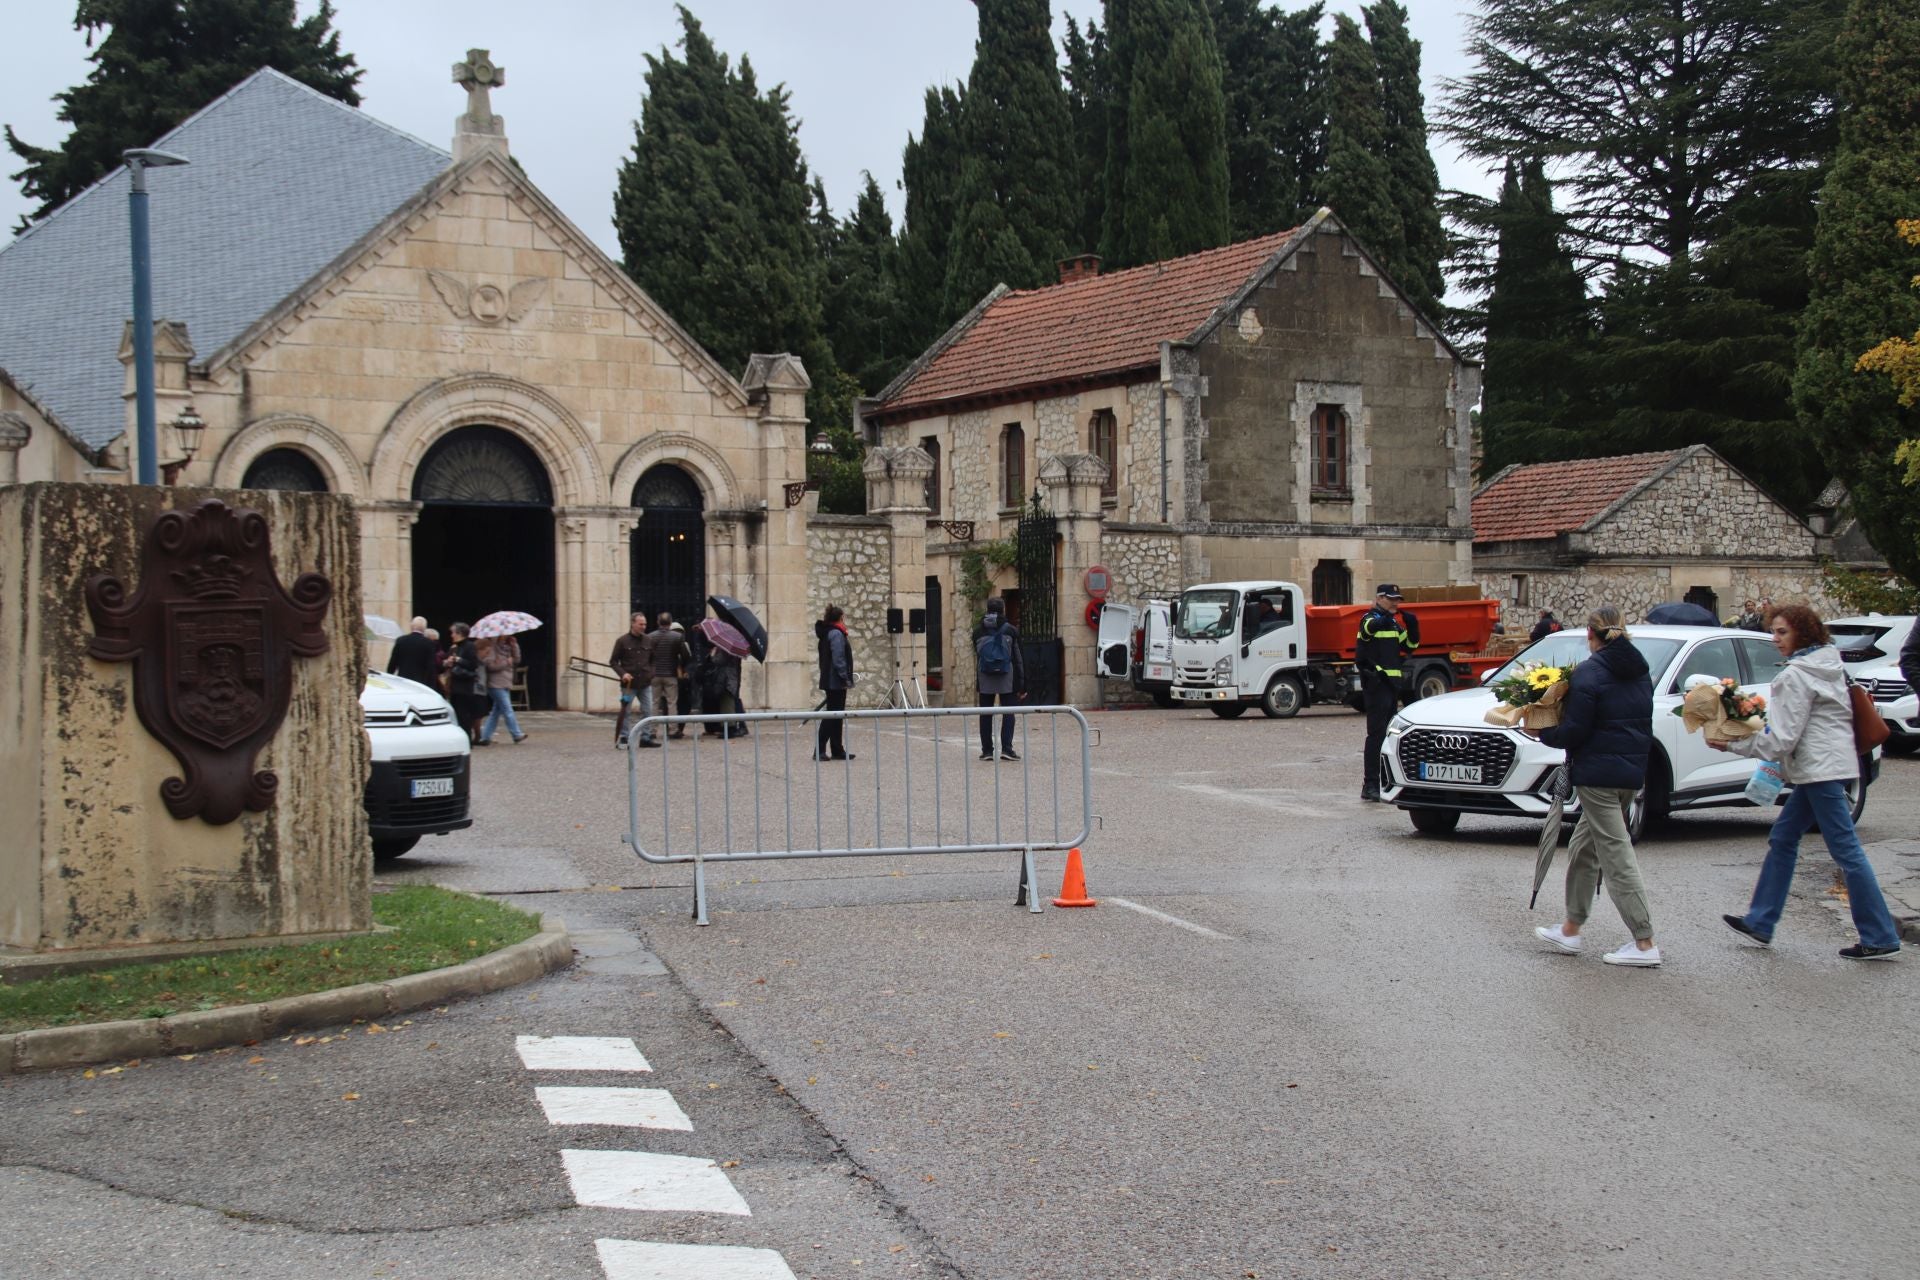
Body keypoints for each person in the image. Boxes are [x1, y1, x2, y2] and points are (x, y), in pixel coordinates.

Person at [1715, 603, 1901, 960]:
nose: (1775, 639)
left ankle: (1878, 934)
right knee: (1784, 837)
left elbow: (1780, 740)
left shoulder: (1796, 675)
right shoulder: (1828, 664)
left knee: (1846, 850)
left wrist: (1731, 743)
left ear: (1803, 633)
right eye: (1774, 631)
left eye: (1782, 632)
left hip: (1819, 772)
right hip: (1829, 767)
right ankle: (1761, 921)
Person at [1531, 606, 1662, 967]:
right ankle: (1571, 929)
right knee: (1583, 846)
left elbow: (1575, 730)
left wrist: (1541, 732)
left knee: (1616, 854)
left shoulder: (1589, 672)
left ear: (1591, 634)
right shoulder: (1640, 669)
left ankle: (1644, 941)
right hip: (1630, 774)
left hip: (1597, 776)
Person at [1357, 584, 1414, 801]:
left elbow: (1409, 645)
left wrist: (1412, 626)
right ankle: (1369, 784)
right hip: (1376, 684)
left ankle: (1384, 781)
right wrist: (1385, 615)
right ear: (1379, 598)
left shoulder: (1391, 622)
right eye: (1391, 599)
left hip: (1390, 685)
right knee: (1376, 735)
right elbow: (1368, 630)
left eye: (1397, 599)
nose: (1395, 603)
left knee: (1389, 737)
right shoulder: (1369, 618)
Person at [974, 598, 1026, 761]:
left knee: (985, 714)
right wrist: (1022, 683)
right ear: (1003, 610)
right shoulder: (1011, 630)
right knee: (1009, 712)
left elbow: (978, 656)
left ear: (987, 610)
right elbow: (1017, 658)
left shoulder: (977, 632)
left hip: (985, 676)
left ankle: (987, 751)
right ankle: (1007, 749)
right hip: (1007, 677)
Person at [635, 611, 689, 747]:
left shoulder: (650, 637)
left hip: (654, 674)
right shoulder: (677, 637)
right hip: (670, 673)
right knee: (672, 703)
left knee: (654, 703)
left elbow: (646, 655)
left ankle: (652, 730)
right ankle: (673, 730)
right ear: (670, 623)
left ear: (658, 622)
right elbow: (684, 655)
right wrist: (681, 666)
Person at [815, 604, 856, 761]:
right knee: (832, 715)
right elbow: (838, 658)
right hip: (835, 681)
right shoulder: (836, 634)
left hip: (831, 679)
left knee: (837, 715)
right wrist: (845, 677)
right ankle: (819, 749)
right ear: (840, 617)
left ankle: (837, 749)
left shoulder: (828, 633)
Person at [476, 632, 526, 745]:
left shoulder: (508, 646)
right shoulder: (492, 647)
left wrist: (515, 646)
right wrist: (505, 663)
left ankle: (485, 736)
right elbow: (490, 666)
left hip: (506, 681)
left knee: (496, 712)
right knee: (507, 709)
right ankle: (516, 734)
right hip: (495, 683)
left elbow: (517, 660)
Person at [609, 612, 649, 748]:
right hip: (629, 684)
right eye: (640, 624)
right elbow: (613, 661)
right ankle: (624, 737)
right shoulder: (622, 641)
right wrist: (623, 673)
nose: (643, 626)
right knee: (626, 711)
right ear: (633, 624)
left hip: (645, 682)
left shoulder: (648, 640)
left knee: (648, 710)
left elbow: (654, 659)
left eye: (645, 624)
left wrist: (651, 672)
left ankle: (646, 737)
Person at [444, 622, 488, 744]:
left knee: (465, 715)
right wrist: (447, 662)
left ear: (459, 633)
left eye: (453, 632)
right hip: (454, 684)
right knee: (456, 713)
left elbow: (473, 665)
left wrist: (458, 660)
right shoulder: (454, 647)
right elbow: (447, 664)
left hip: (465, 685)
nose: (451, 635)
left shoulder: (469, 646)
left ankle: (466, 740)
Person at [387, 615, 439, 686]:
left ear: (411, 626)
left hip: (402, 680)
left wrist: (389, 677)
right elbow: (430, 667)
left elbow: (393, 662)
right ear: (424, 629)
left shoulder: (401, 640)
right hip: (420, 683)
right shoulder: (429, 644)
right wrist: (431, 685)